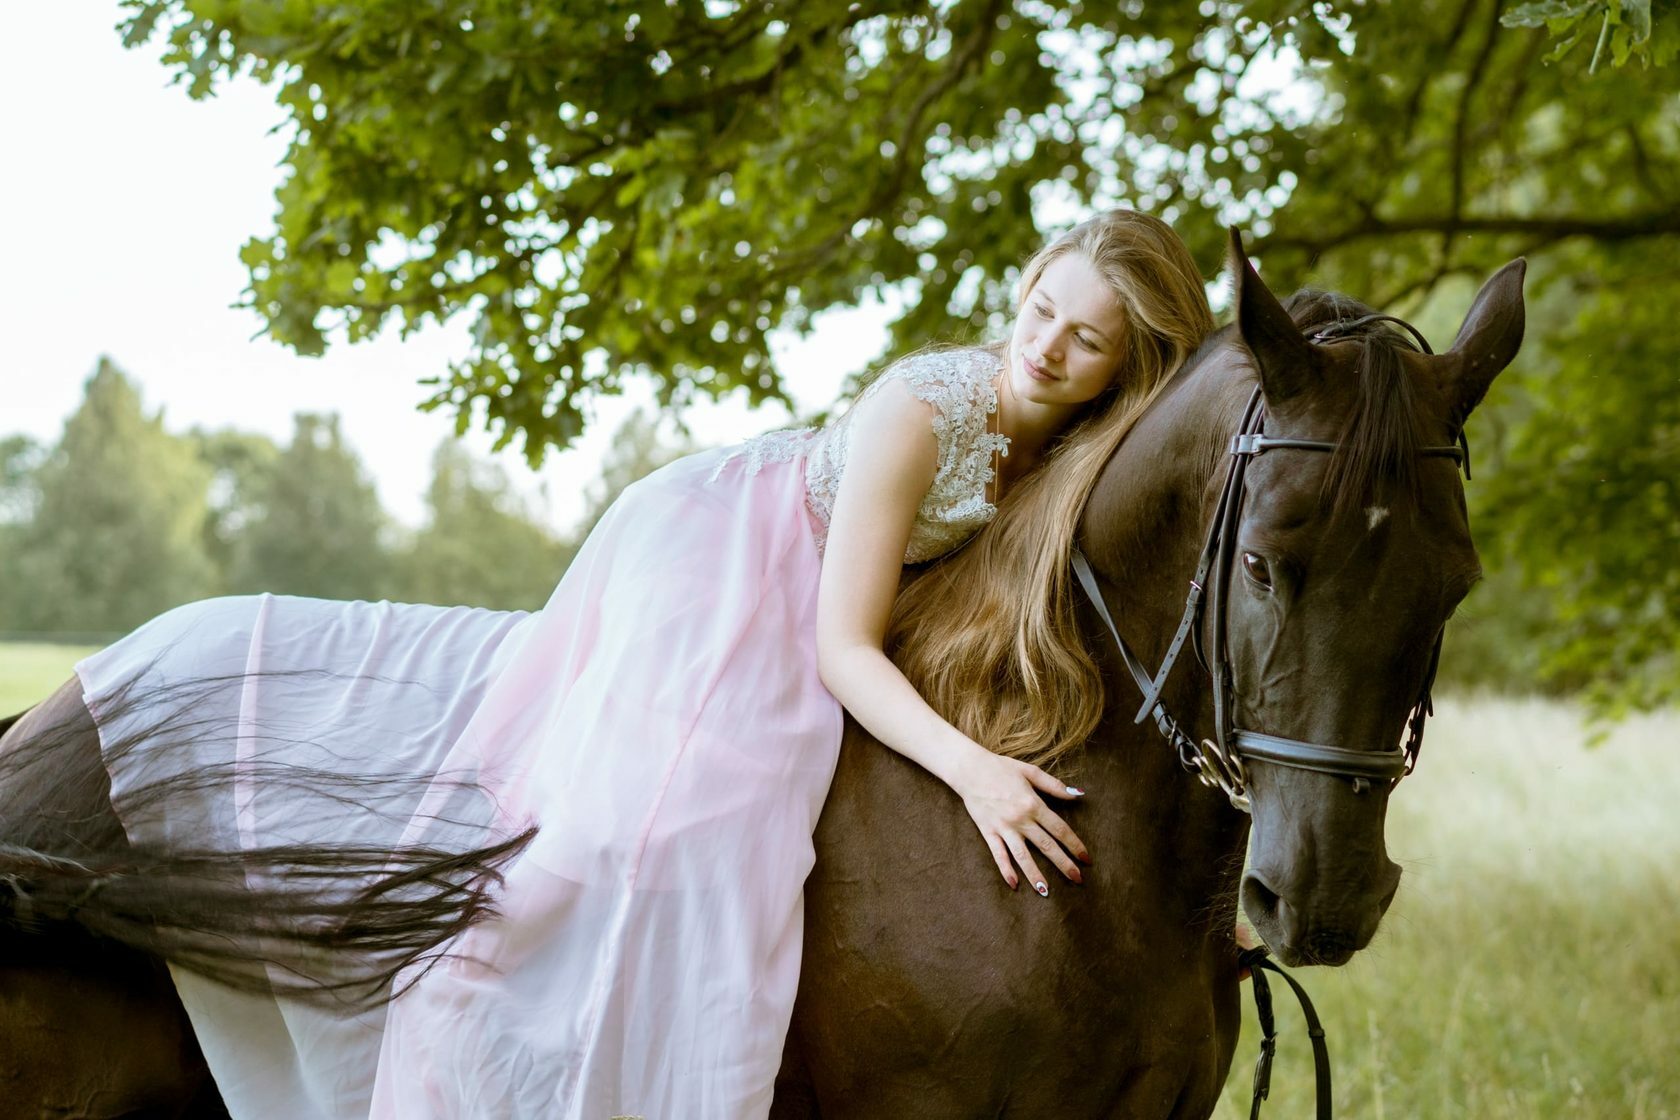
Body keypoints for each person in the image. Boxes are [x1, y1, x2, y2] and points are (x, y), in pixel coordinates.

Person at [69, 208, 1217, 1119]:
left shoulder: (1081, 451)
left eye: (1086, 338)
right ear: (1025, 284)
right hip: (736, 559)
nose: (1046, 343)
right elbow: (841, 644)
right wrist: (974, 772)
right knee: (674, 825)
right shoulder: (925, 409)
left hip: (846, 586)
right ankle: (491, 1036)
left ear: (1126, 367)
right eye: (1042, 306)